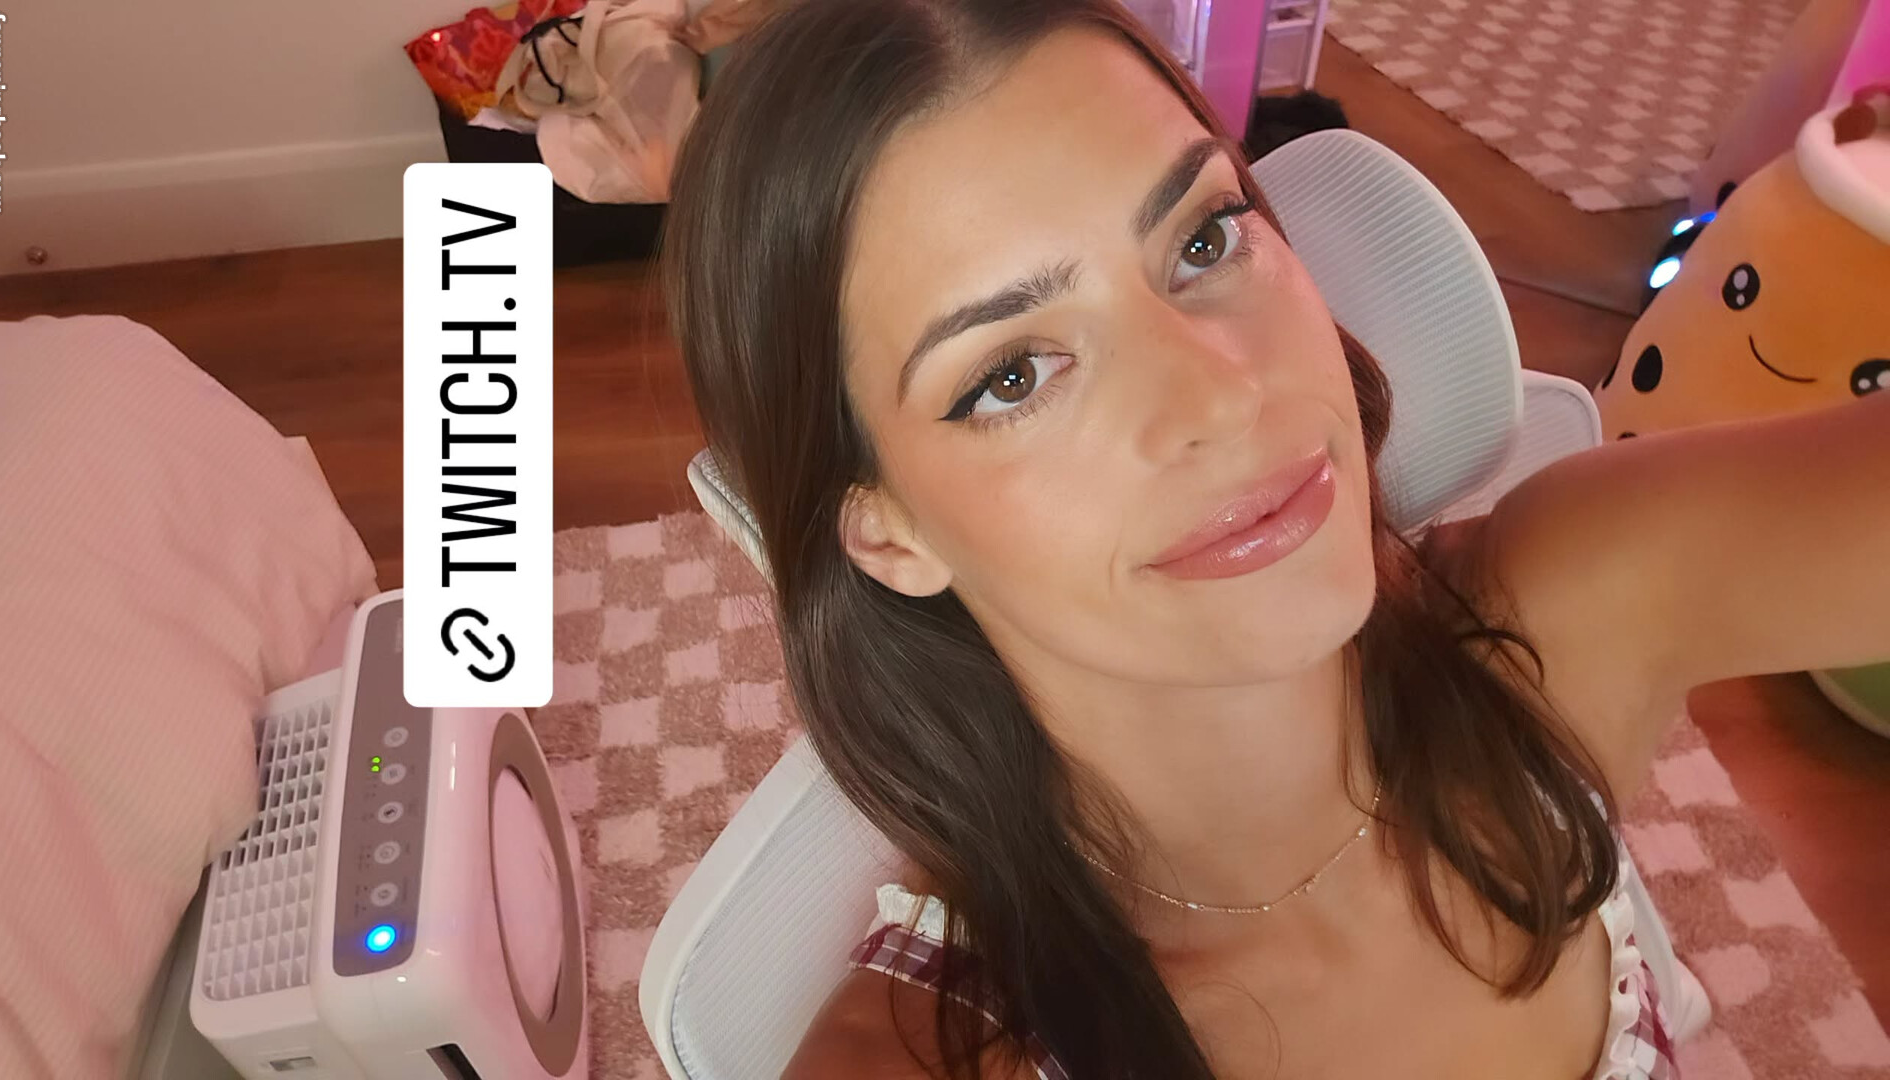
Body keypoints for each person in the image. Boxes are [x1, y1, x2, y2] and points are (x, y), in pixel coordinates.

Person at [657, 0, 1890, 1076]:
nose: (1223, 395)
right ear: (887, 534)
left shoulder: (1568, 613)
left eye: (1202, 240)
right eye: (1013, 375)